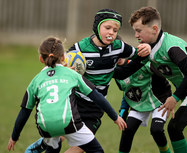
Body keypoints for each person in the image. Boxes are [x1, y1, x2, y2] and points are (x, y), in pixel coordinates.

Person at [25, 8, 151, 153]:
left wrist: (146, 48)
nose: (111, 32)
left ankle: (43, 144)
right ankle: (42, 145)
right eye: (107, 28)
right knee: (62, 137)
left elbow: (138, 55)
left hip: (96, 107)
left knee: (81, 148)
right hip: (75, 102)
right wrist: (66, 70)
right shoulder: (80, 48)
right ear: (97, 26)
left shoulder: (119, 47)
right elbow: (59, 64)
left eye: (115, 30)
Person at [129, 6, 187, 153]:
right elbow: (127, 70)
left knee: (174, 127)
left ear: (154, 29)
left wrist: (174, 97)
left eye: (138, 30)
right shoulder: (149, 48)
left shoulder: (171, 46)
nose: (136, 35)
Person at [8, 37, 127, 153]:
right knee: (97, 150)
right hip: (69, 123)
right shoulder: (72, 74)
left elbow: (24, 111)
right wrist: (115, 117)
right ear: (64, 57)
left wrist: (14, 137)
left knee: (53, 147)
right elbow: (96, 96)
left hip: (45, 126)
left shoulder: (35, 81)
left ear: (41, 59)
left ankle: (40, 147)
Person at [115, 59, 172, 153]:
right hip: (139, 103)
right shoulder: (116, 72)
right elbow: (127, 89)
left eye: (121, 54)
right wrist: (124, 108)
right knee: (127, 130)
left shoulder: (141, 62)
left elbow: (167, 77)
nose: (119, 57)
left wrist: (174, 97)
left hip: (159, 99)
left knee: (156, 130)